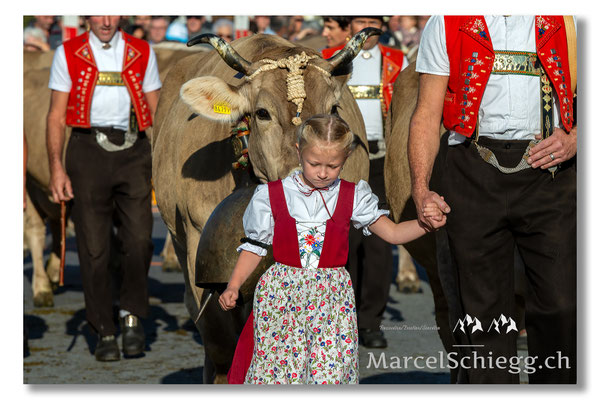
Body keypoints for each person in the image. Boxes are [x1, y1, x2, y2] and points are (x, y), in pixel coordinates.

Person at [408, 15, 576, 383]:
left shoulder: (571, 17)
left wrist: (577, 135)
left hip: (552, 172)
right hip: (472, 167)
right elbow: (426, 113)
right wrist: (421, 188)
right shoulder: (447, 21)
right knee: (482, 314)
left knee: (563, 306)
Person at [219, 114, 445, 384]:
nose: (323, 172)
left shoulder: (353, 195)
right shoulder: (273, 195)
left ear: (346, 158)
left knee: (330, 373)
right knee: (279, 373)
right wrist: (234, 285)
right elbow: (255, 247)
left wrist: (427, 225)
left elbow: (394, 234)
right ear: (298, 150)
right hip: (281, 298)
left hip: (332, 300)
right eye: (314, 163)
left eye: (333, 165)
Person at [46, 15, 161, 362]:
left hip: (135, 150)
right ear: (86, 16)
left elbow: (157, 107)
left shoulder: (142, 50)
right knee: (94, 249)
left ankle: (130, 315)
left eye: (113, 11)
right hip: (87, 152)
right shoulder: (67, 52)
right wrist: (56, 168)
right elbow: (55, 114)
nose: (107, 20)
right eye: (99, 11)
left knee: (140, 241)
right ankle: (104, 328)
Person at [322, 16, 408, 349]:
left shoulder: (397, 60)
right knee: (347, 240)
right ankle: (343, 315)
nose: (367, 28)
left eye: (375, 22)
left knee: (378, 243)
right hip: (342, 159)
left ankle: (371, 320)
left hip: (382, 158)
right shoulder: (328, 57)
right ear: (348, 25)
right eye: (361, 21)